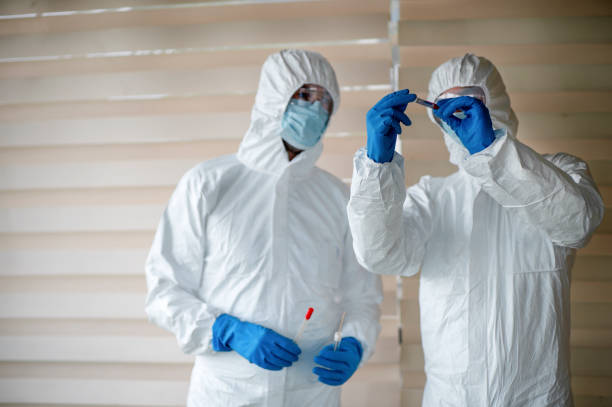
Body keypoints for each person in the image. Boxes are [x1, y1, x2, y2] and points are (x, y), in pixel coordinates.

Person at [347, 53, 604, 406]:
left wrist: (492, 151)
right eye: (447, 107)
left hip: (538, 398)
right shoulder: (433, 197)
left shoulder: (559, 173)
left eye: (471, 102)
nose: (460, 116)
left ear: (495, 103)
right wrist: (378, 167)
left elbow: (578, 224)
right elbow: (381, 255)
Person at [145, 49, 382, 406]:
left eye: (325, 101)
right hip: (227, 392)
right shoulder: (208, 184)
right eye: (304, 95)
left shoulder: (338, 197)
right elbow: (164, 290)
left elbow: (363, 298)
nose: (315, 109)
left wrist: (355, 343)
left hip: (311, 393)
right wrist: (227, 331)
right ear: (274, 97)